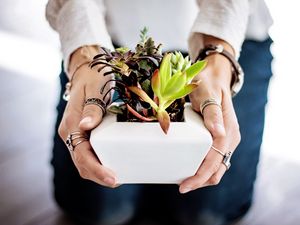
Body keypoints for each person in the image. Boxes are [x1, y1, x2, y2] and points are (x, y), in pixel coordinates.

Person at [46, 0, 273, 224]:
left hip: (230, 41)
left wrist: (218, 54)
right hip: (113, 46)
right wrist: (85, 55)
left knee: (207, 214)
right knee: (101, 211)